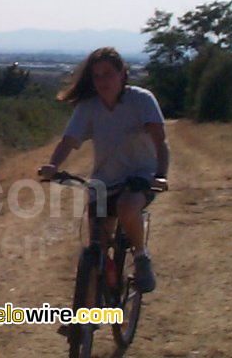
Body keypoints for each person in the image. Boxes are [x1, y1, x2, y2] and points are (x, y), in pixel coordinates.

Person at [38, 47, 169, 293]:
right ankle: (86, 318)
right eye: (97, 76)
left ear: (122, 74)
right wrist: (53, 166)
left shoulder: (141, 99)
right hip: (104, 181)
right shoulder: (89, 107)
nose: (102, 81)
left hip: (140, 176)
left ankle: (141, 257)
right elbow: (68, 141)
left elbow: (159, 140)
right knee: (96, 245)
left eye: (108, 74)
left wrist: (161, 175)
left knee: (127, 207)